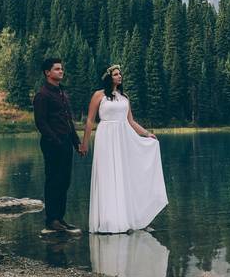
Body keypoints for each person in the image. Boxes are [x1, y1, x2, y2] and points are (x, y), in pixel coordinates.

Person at [81, 64, 168, 234]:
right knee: (107, 175)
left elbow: (131, 122)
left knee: (122, 175)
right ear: (109, 77)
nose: (119, 76)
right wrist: (85, 142)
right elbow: (90, 121)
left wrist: (147, 134)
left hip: (122, 139)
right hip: (105, 137)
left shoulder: (124, 97)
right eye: (115, 74)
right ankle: (108, 221)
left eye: (120, 74)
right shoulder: (99, 95)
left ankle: (127, 218)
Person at [33, 57, 84, 234]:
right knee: (53, 181)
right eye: (57, 69)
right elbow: (41, 122)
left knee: (64, 181)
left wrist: (76, 142)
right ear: (47, 73)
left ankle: (60, 219)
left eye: (61, 69)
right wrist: (55, 140)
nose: (61, 71)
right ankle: (51, 220)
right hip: (52, 144)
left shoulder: (62, 93)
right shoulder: (42, 95)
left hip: (65, 143)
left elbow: (68, 121)